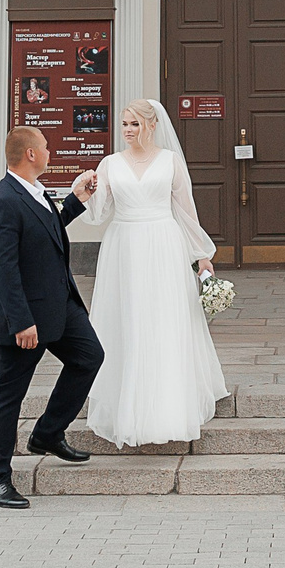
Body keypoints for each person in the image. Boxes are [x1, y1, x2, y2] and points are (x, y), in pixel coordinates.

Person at [80, 98, 230, 447]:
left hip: (164, 244)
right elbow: (99, 212)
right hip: (123, 246)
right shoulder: (110, 164)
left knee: (163, 319)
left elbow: (186, 210)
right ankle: (127, 405)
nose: (128, 130)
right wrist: (86, 193)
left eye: (134, 124)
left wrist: (201, 256)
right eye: (124, 124)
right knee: (129, 319)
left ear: (151, 125)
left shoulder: (170, 161)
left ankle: (168, 406)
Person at [0, 126, 102, 510]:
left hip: (59, 305)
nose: (50, 152)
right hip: (24, 318)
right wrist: (20, 322)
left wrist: (76, 200)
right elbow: (2, 270)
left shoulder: (35, 192)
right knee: (7, 396)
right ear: (30, 154)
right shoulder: (2, 202)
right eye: (45, 147)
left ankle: (47, 433)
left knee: (89, 357)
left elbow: (47, 230)